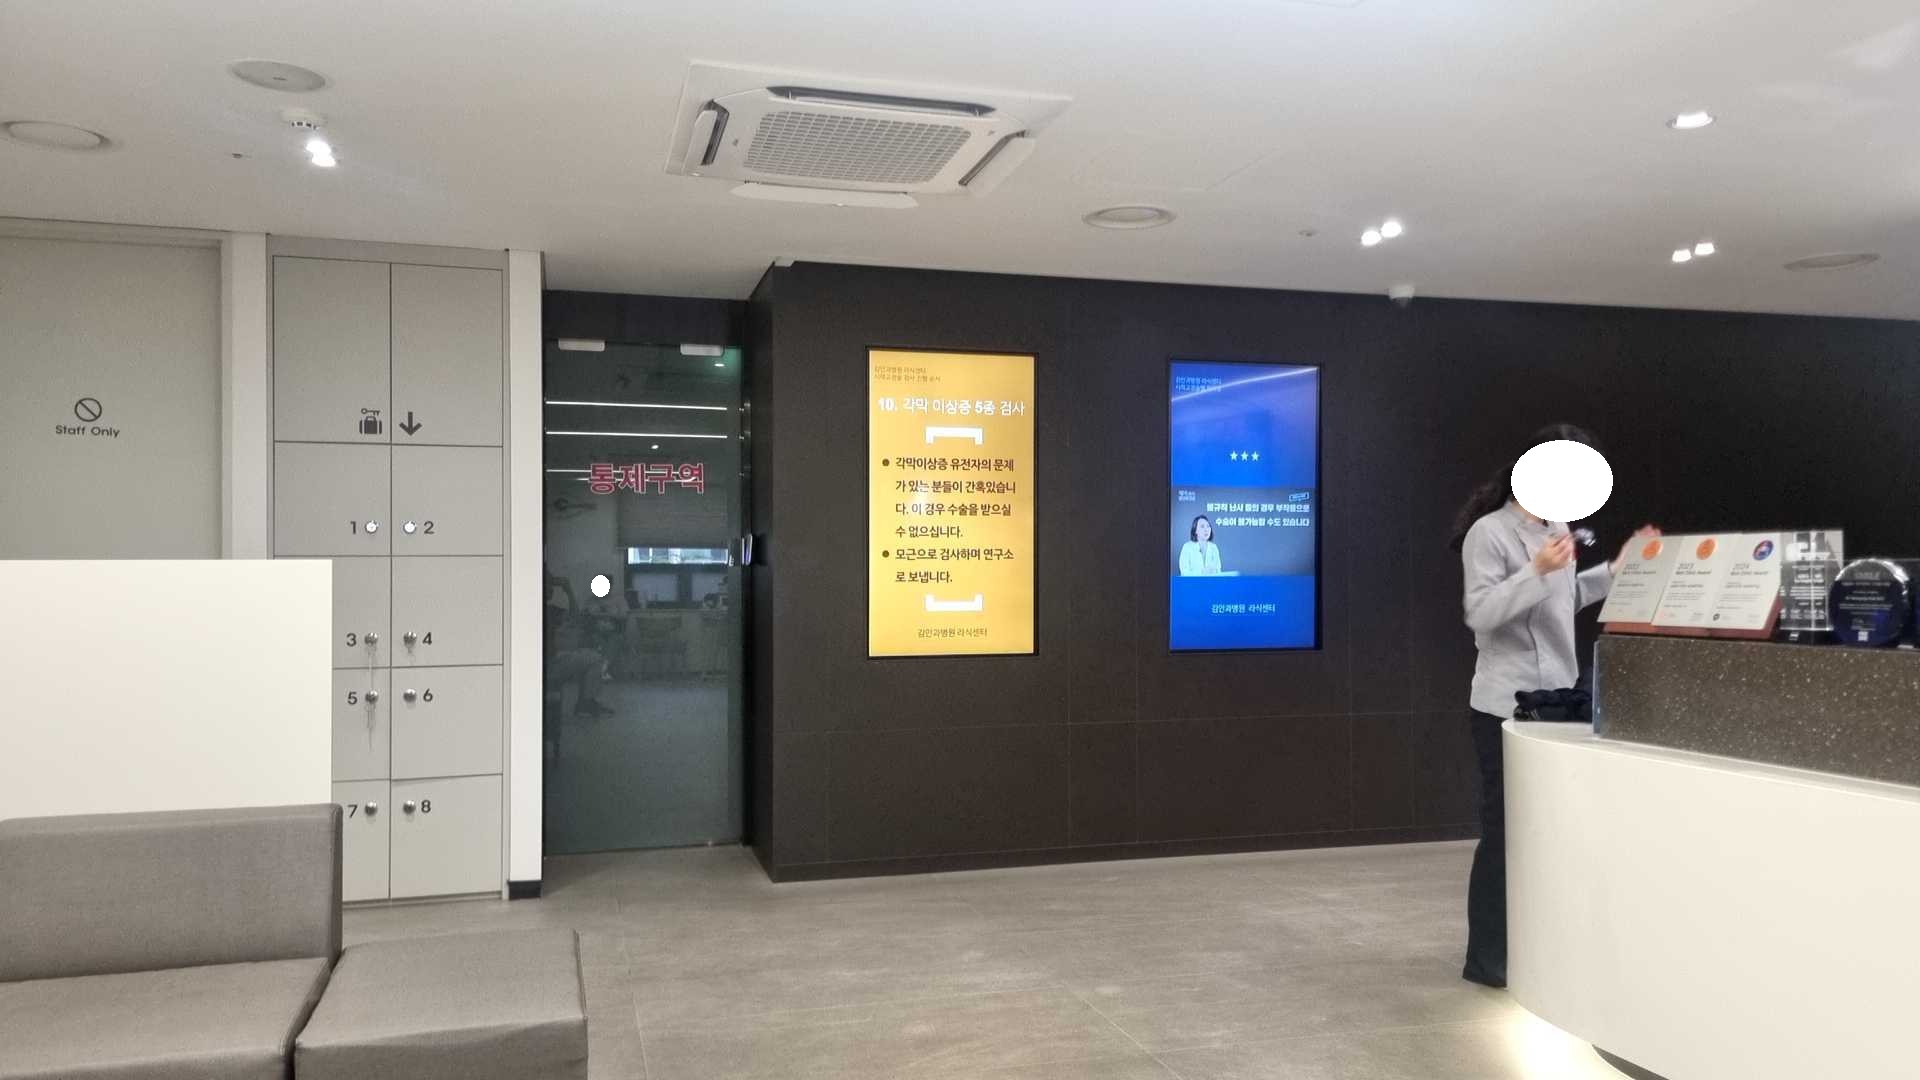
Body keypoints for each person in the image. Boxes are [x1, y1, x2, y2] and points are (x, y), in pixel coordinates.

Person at [1449, 424, 1657, 989]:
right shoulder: (1489, 533)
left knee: (1555, 831)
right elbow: (1481, 613)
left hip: (1560, 701)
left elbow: (1566, 600)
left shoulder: (1557, 528)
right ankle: (1489, 961)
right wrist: (1536, 571)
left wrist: (1613, 571)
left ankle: (1543, 950)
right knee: (1505, 832)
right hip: (1504, 705)